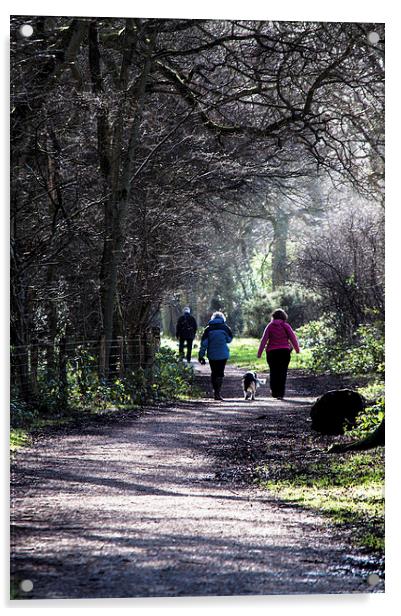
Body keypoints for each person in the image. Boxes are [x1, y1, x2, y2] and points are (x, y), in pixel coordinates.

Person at [257, 308, 300, 400]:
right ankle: (281, 393)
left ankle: (274, 392)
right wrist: (297, 349)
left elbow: (264, 340)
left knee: (273, 372)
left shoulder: (270, 326)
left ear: (273, 317)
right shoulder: (286, 326)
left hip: (272, 353)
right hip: (284, 352)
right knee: (282, 372)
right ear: (284, 317)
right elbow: (293, 338)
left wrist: (259, 353)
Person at [198, 311, 233, 401]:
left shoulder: (208, 329)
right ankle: (218, 392)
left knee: (214, 373)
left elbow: (204, 344)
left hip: (212, 355)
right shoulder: (225, 328)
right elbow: (229, 340)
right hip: (223, 354)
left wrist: (201, 356)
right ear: (222, 318)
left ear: (213, 319)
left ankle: (215, 392)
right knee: (220, 373)